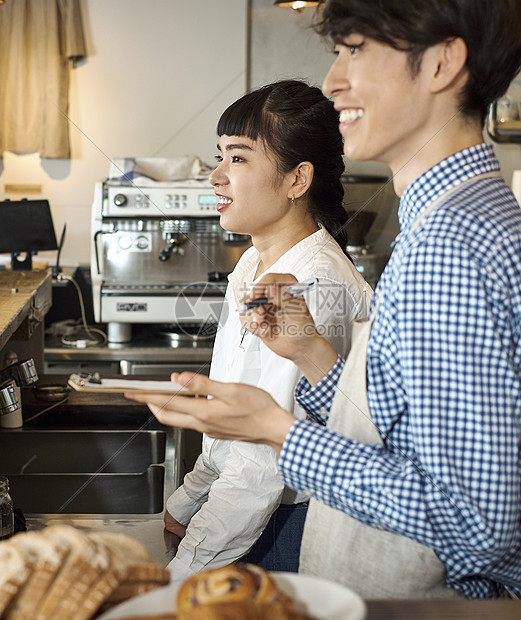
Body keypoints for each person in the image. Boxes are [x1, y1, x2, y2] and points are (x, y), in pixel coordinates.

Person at [127, 0, 521, 599]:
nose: (334, 81)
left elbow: (477, 527)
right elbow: (403, 432)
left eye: (355, 50)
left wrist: (280, 432)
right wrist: (313, 356)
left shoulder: (447, 246)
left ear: (442, 62)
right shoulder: (450, 223)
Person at [159, 79, 372, 583]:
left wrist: (184, 573)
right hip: (251, 515)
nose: (216, 177)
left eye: (238, 158)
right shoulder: (256, 262)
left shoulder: (311, 286)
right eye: (220, 157)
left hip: (284, 525)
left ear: (297, 179)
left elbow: (262, 465)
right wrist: (190, 498)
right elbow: (234, 416)